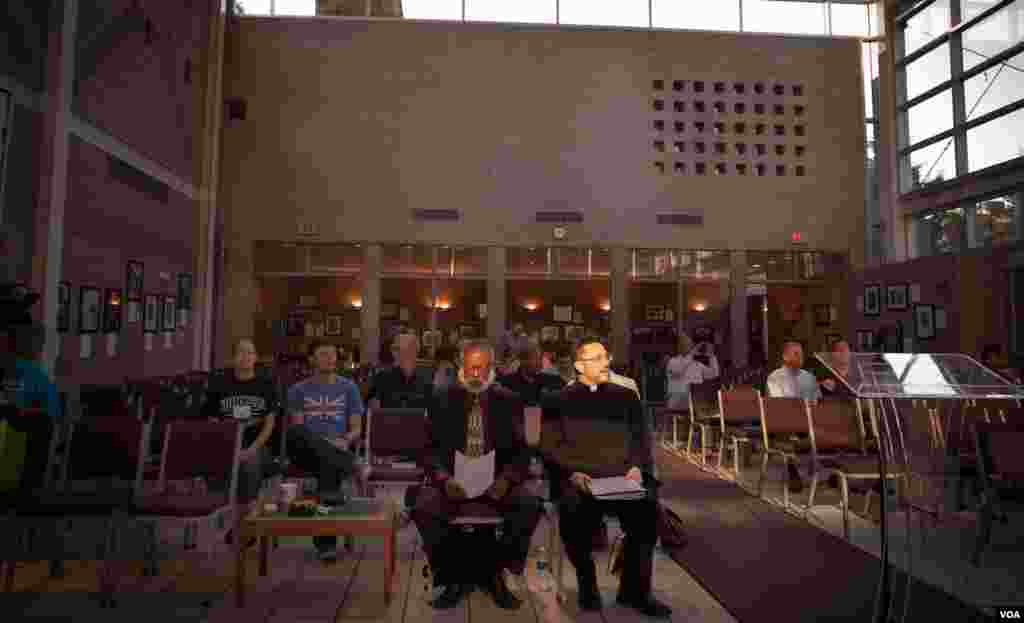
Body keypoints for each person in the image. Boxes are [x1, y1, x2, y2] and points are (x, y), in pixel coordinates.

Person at [541, 336, 672, 619]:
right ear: (578, 366)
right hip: (580, 479)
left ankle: (635, 592)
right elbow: (550, 447)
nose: (604, 363)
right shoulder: (558, 400)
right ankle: (587, 582)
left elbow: (641, 441)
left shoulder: (626, 396)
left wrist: (637, 467)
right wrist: (572, 473)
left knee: (648, 511)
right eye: (595, 359)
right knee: (572, 511)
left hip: (623, 477)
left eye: (606, 358)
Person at [409, 339, 543, 610]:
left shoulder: (510, 400)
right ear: (460, 365)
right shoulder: (440, 398)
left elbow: (523, 452)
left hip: (496, 479)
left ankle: (495, 573)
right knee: (423, 506)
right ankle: (451, 575)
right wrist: (444, 480)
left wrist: (506, 480)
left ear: (493, 368)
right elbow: (426, 450)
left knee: (529, 506)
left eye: (481, 368)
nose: (474, 374)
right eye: (469, 367)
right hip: (453, 480)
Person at [286, 339, 366, 562]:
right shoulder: (297, 390)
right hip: (306, 451)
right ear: (311, 359)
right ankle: (352, 463)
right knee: (298, 433)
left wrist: (344, 440)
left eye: (332, 354)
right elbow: (300, 429)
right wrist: (328, 445)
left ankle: (326, 545)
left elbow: (357, 429)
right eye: (323, 354)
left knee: (328, 468)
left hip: (334, 453)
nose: (330, 358)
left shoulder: (349, 388)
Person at [201, 339, 279, 508]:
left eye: (250, 352)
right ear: (233, 358)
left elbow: (270, 424)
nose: (245, 356)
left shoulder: (266, 385)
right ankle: (220, 509)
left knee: (250, 462)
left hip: (258, 446)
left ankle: (248, 510)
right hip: (225, 444)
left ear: (255, 358)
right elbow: (211, 421)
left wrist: (251, 449)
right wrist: (226, 447)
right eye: (240, 352)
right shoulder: (218, 385)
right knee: (213, 459)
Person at [1, 320, 61, 494]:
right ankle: (29, 486)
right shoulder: (31, 371)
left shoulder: (29, 371)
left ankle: (28, 485)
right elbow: (53, 409)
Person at [765, 341, 819, 492]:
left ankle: (833, 471)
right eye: (796, 353)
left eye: (801, 354)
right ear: (784, 356)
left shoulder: (809, 377)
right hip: (785, 424)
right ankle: (792, 469)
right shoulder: (775, 377)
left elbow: (816, 402)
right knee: (791, 429)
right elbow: (780, 406)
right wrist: (803, 406)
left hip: (809, 421)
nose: (800, 357)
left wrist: (809, 407)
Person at [366, 332, 434, 410]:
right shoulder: (382, 378)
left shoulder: (428, 379)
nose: (394, 353)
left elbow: (433, 412)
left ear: (414, 351)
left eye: (398, 349)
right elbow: (372, 408)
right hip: (390, 421)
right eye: (393, 349)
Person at [498, 339, 565, 407]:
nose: (539, 363)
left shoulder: (553, 380)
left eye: (540, 358)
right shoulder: (507, 383)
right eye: (535, 358)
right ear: (523, 360)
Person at [665, 335, 719, 410]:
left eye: (691, 345)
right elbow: (679, 371)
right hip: (678, 404)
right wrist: (691, 354)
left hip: (696, 405)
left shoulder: (696, 364)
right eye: (688, 344)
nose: (691, 347)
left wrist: (712, 356)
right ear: (679, 346)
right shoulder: (673, 362)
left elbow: (714, 374)